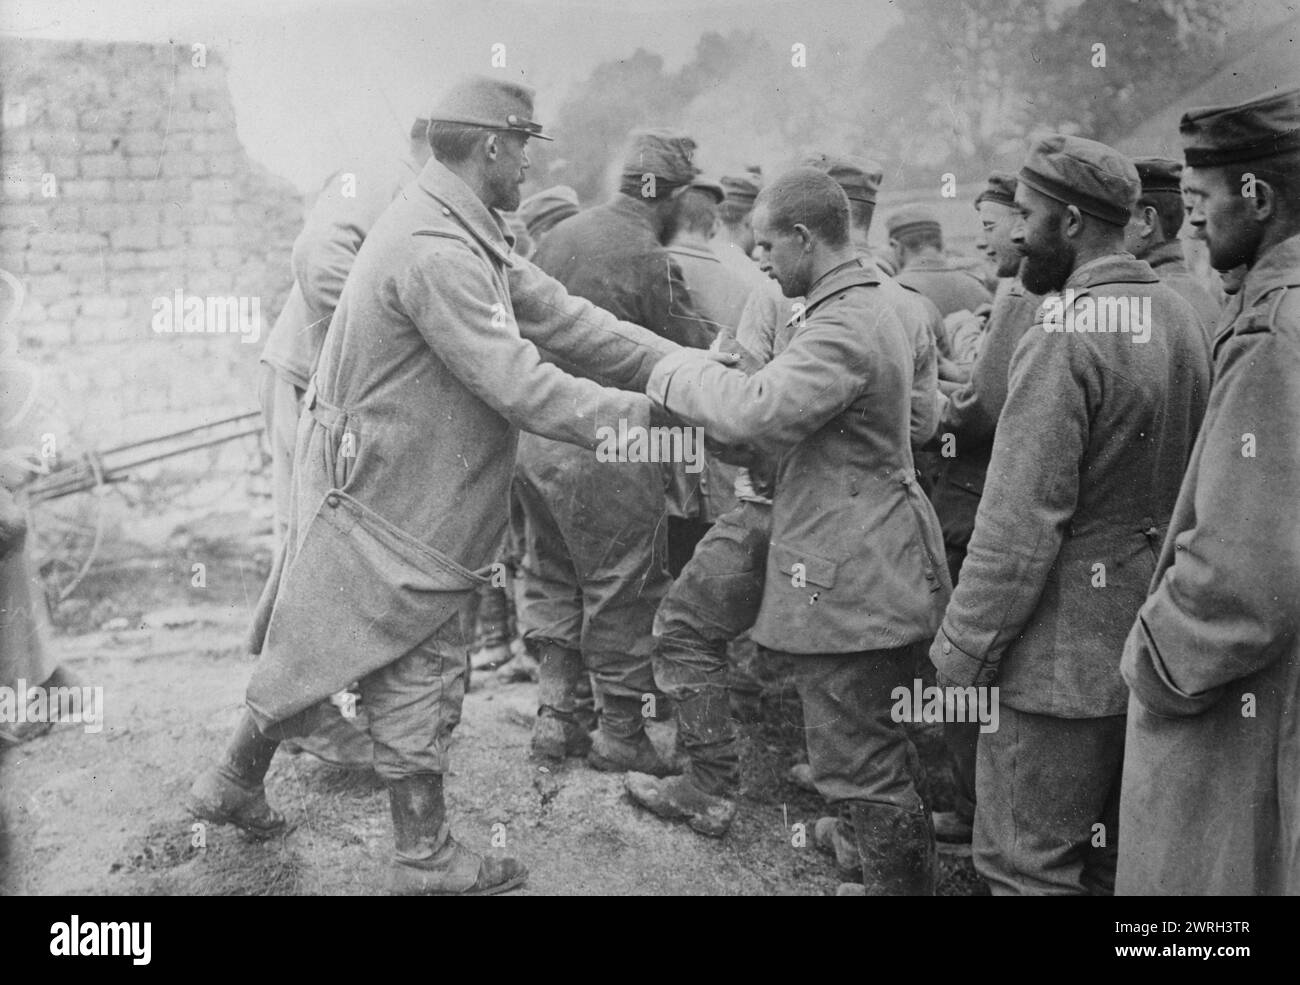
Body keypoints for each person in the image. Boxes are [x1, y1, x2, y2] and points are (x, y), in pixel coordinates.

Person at [186, 76, 727, 897]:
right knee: (419, 657)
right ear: (492, 146)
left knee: (320, 630)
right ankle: (424, 856)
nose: (528, 166)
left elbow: (559, 313)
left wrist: (673, 366)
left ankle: (231, 778)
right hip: (398, 495)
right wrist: (652, 415)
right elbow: (520, 383)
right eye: (523, 148)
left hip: (382, 477)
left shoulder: (455, 222)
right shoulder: (434, 248)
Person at [634, 168, 951, 896]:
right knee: (868, 738)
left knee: (858, 752)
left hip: (851, 554)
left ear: (806, 237)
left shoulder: (843, 324)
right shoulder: (871, 303)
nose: (763, 262)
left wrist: (670, 371)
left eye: (770, 244)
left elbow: (752, 411)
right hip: (864, 540)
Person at [929, 134, 1211, 896]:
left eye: (1026, 214)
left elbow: (1020, 524)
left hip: (1055, 669)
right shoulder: (1179, 316)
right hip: (1148, 652)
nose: (1016, 232)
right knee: (1112, 867)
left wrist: (960, 650)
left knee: (1025, 865)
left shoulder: (1064, 335)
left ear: (1075, 223)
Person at [1118, 87, 1300, 896]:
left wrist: (1154, 661)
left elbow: (1241, 572)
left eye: (1199, 201)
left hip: (1245, 704)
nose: (1190, 223)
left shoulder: (1273, 333)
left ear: (1256, 197)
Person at [512, 128, 716, 773]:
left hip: (535, 440)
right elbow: (686, 360)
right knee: (620, 585)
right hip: (610, 443)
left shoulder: (558, 236)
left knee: (549, 570)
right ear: (675, 196)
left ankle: (554, 716)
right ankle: (621, 732)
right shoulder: (654, 260)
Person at [254, 118, 433, 769]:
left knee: (336, 540)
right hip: (311, 375)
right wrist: (365, 349)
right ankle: (298, 710)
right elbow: (318, 254)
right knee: (309, 542)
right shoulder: (377, 172)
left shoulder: (426, 197)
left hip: (338, 385)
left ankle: (312, 699)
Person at [926, 172, 1042, 846]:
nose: (983, 239)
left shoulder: (1022, 295)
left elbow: (981, 408)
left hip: (973, 507)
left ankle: (974, 812)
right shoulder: (1028, 292)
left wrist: (919, 400)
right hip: (988, 505)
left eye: (991, 226)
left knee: (964, 661)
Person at [1123, 156, 1222, 340]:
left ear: (1147, 221)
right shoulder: (1202, 297)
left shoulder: (1136, 304)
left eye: (1120, 217)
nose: (1111, 228)